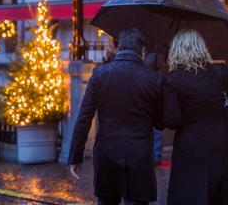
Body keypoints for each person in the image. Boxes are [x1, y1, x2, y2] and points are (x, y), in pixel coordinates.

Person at [69, 28, 163, 205]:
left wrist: (75, 155)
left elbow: (84, 117)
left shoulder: (100, 74)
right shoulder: (152, 79)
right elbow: (159, 121)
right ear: (142, 51)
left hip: (107, 155)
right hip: (139, 157)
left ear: (119, 48)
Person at [163, 29, 228, 205]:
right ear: (202, 48)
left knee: (189, 196)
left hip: (189, 150)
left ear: (176, 50)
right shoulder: (220, 72)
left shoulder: (172, 79)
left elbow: (172, 120)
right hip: (221, 147)